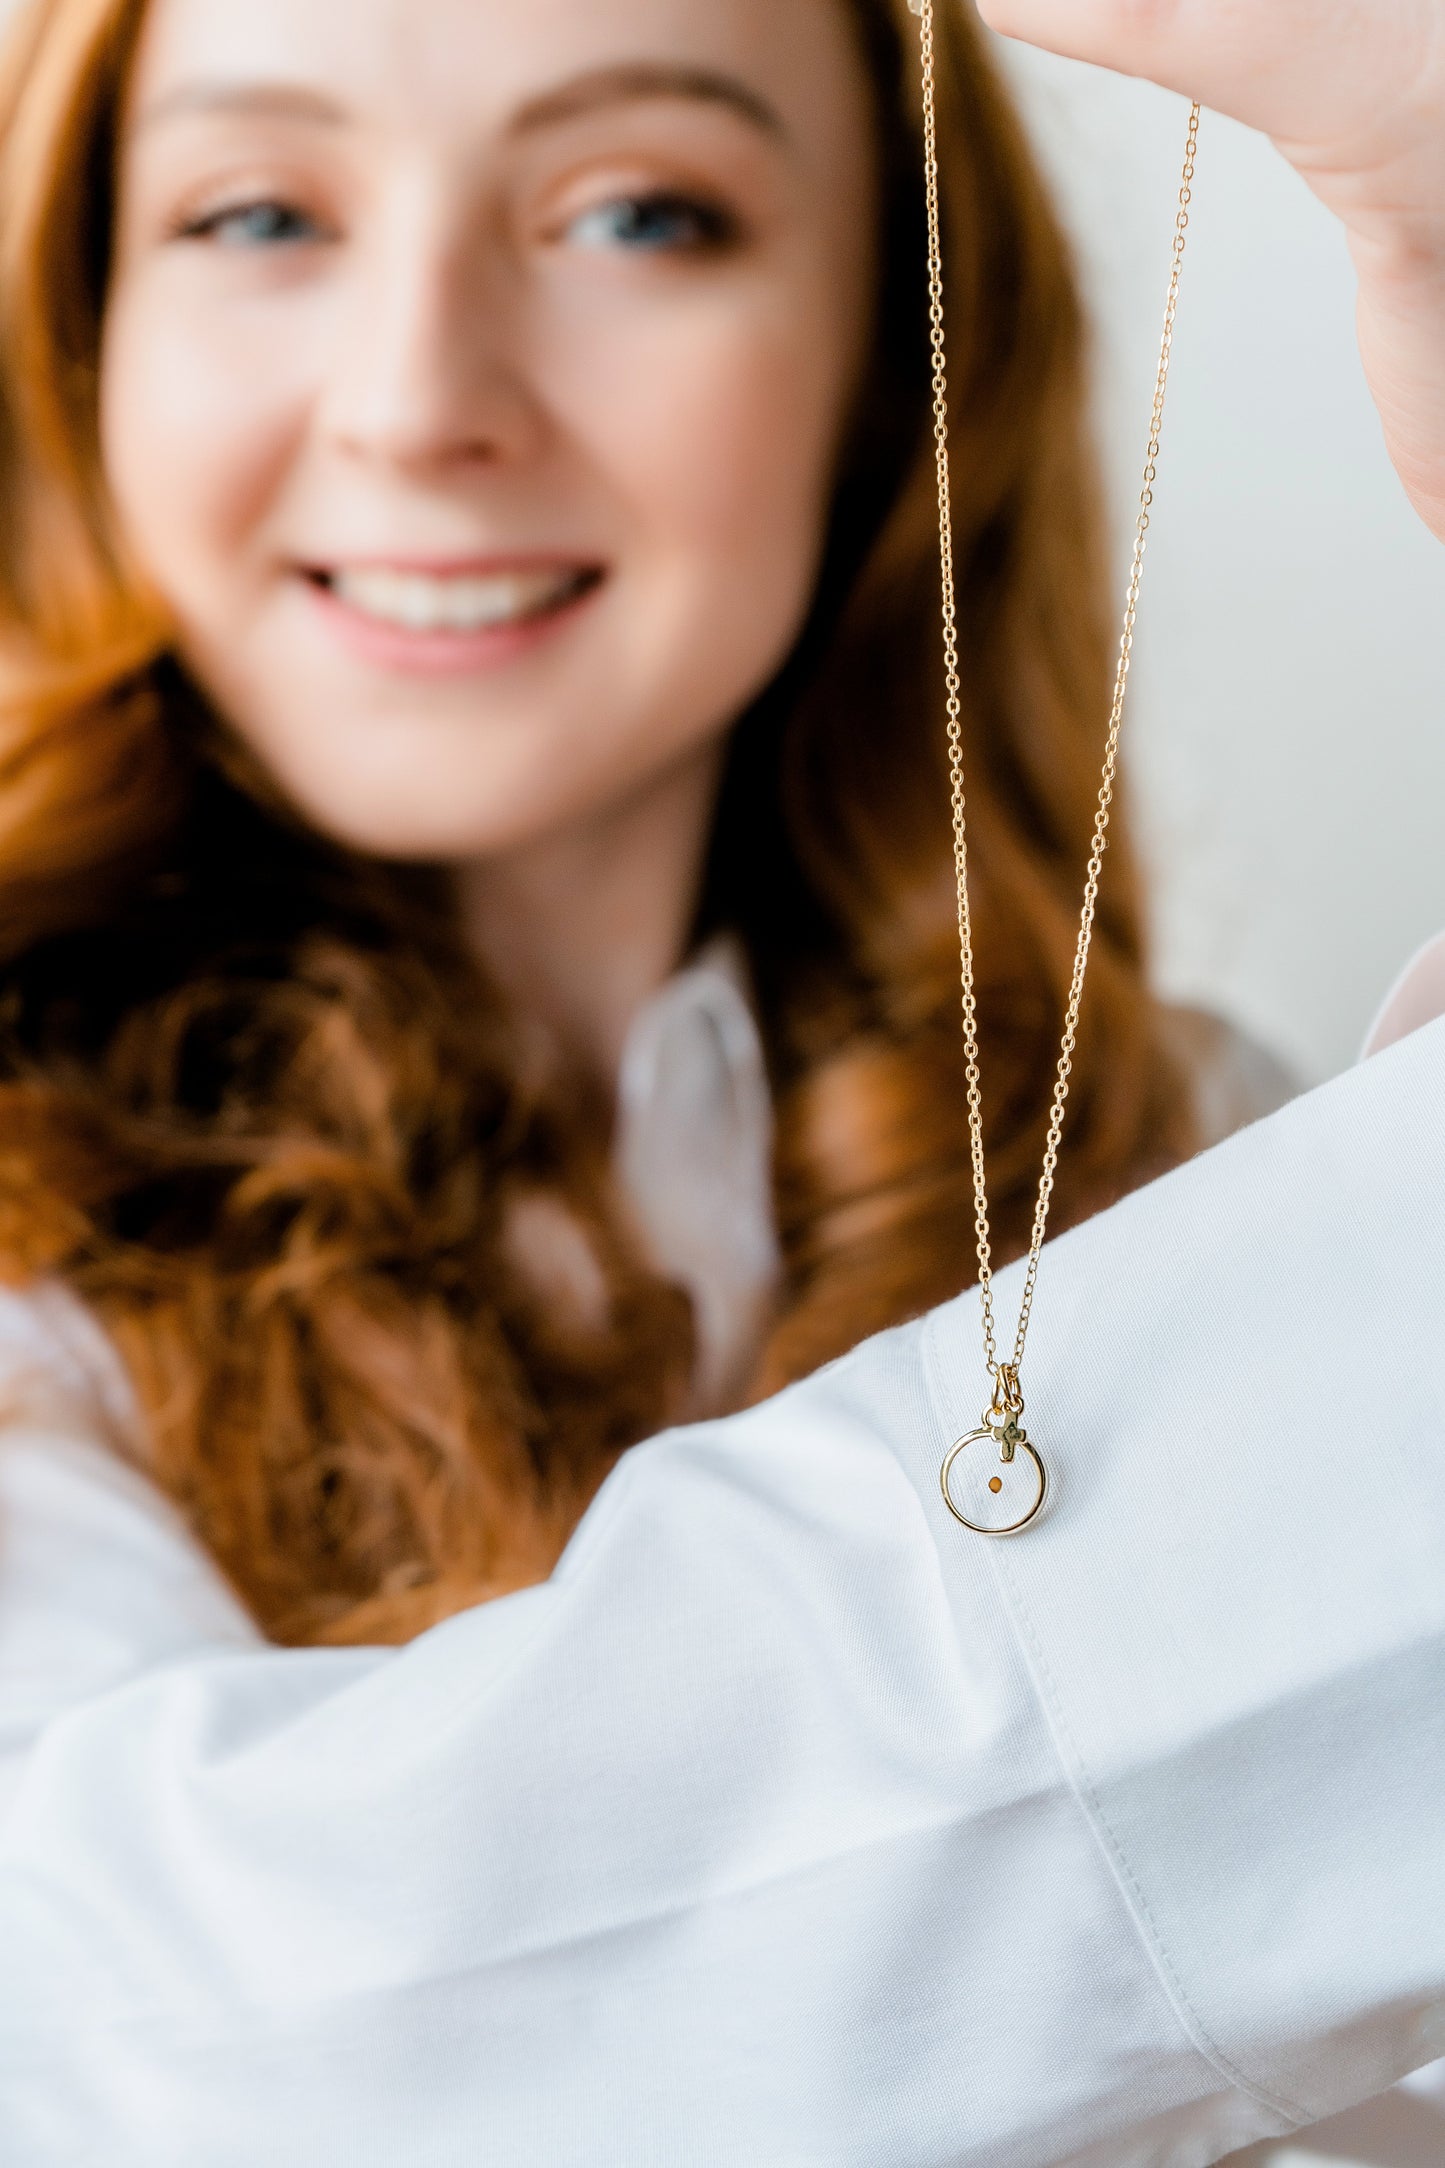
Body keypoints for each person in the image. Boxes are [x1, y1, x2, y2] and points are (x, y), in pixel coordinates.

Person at [0, 0, 1440, 2160]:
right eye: (262, 214)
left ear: (895, 344)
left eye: (639, 214)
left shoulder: (1172, 1139)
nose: (416, 400)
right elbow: (166, 2054)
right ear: (82, 333)